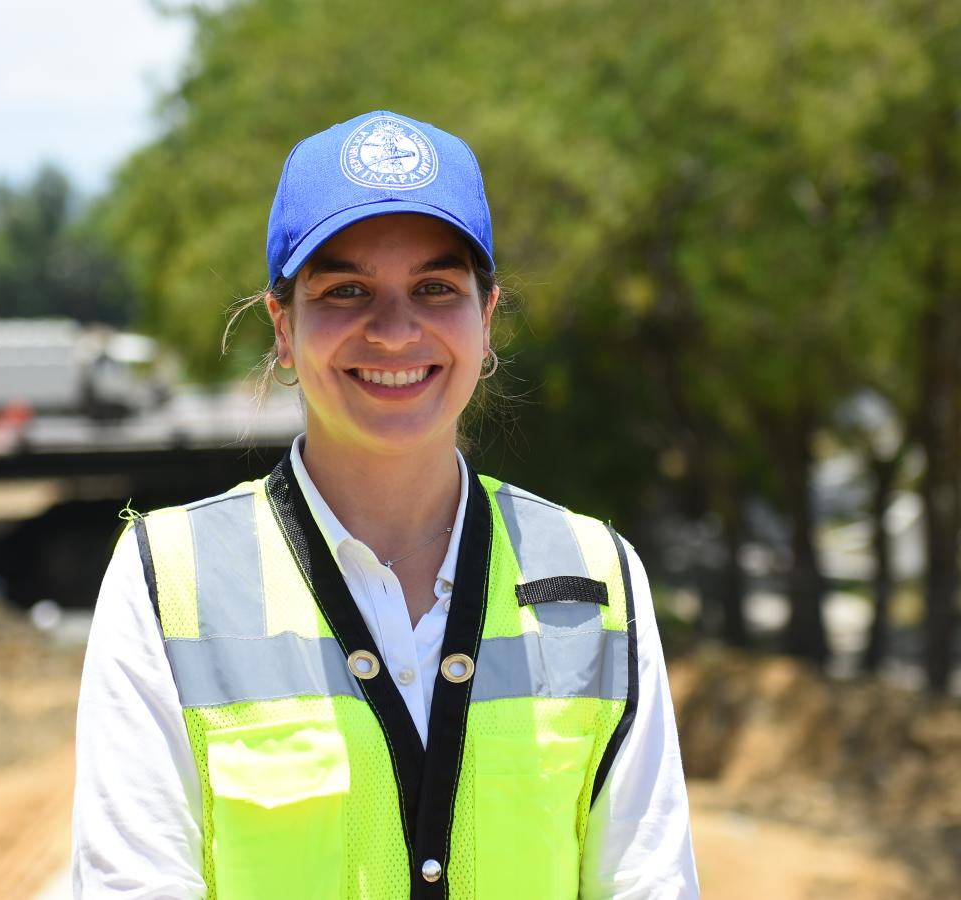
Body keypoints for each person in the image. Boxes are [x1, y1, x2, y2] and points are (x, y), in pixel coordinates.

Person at [72, 110, 699, 899]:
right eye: (346, 290)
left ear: (486, 316)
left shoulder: (597, 578)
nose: (395, 331)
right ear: (284, 326)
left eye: (435, 288)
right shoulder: (168, 582)